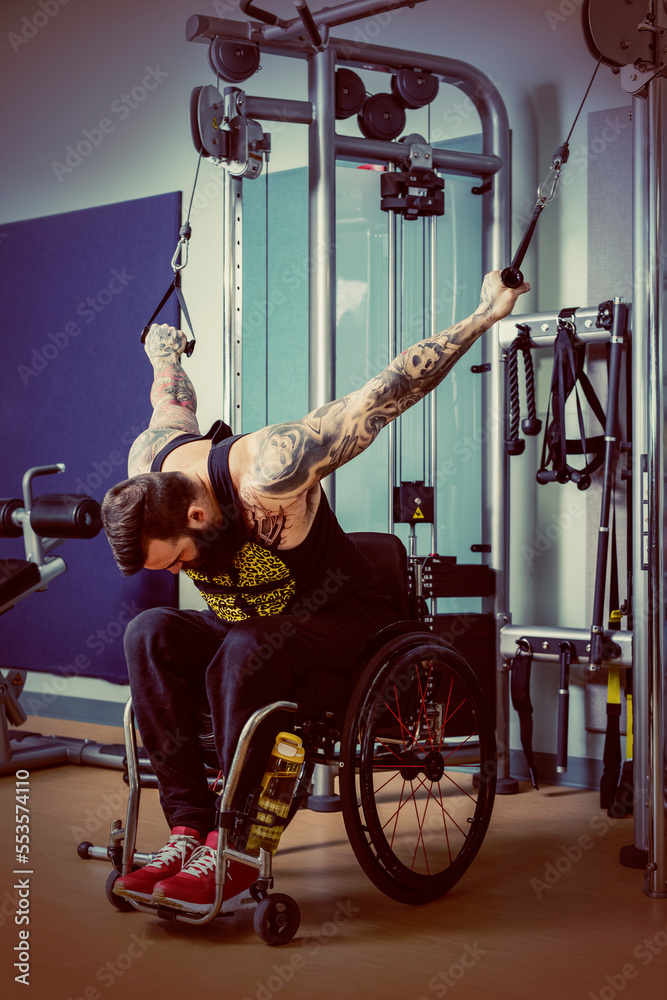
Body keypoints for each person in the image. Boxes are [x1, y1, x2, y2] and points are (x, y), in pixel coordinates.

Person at [100, 269, 529, 915]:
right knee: (150, 630)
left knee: (247, 642)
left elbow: (385, 392)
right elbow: (171, 399)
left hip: (343, 628)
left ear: (195, 516)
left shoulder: (273, 469)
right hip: (255, 634)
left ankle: (237, 845)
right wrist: (163, 353)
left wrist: (481, 317)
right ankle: (189, 829)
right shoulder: (152, 463)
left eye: (178, 560)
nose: (178, 573)